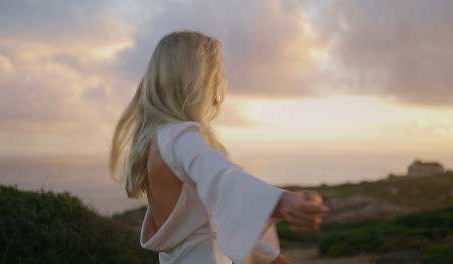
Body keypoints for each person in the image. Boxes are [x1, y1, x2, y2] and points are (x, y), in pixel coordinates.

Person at [109, 30, 329, 264]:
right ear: (197, 79)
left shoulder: (155, 144)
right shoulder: (179, 136)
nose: (221, 81)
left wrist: (275, 260)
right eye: (216, 73)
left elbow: (212, 225)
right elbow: (222, 177)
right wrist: (281, 202)